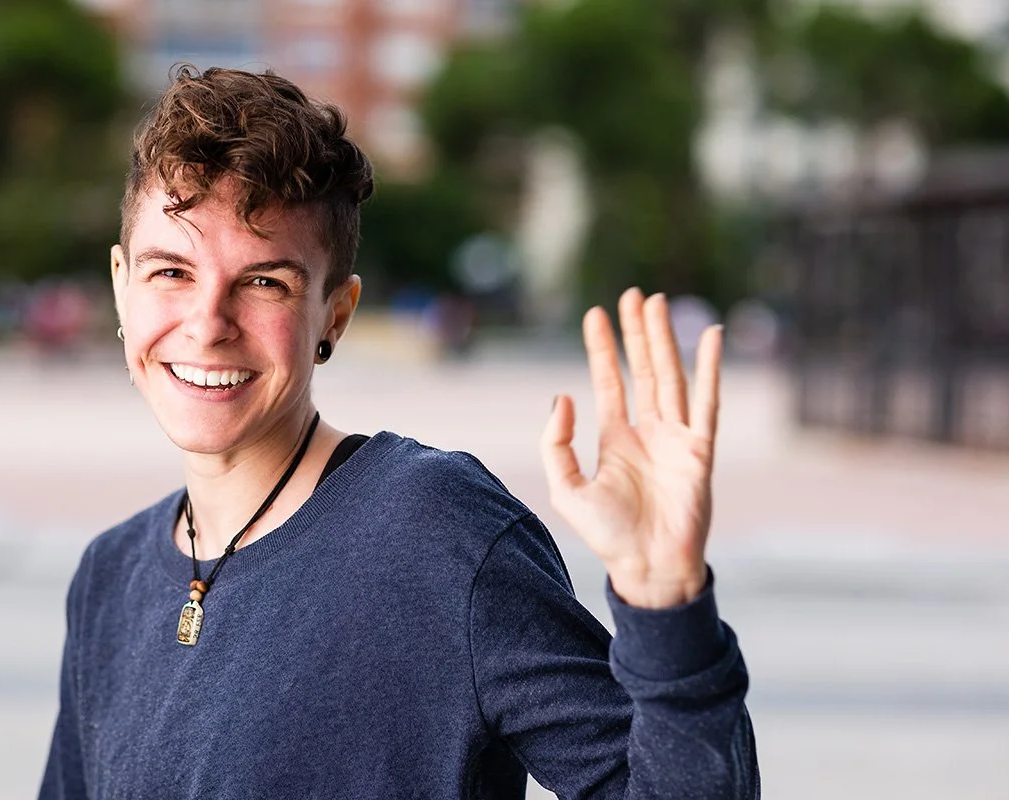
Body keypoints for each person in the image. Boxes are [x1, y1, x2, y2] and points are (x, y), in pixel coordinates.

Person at [39, 66, 758, 799]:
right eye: (171, 273)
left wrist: (667, 604)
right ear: (122, 282)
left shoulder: (433, 531)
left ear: (335, 314)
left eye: (264, 283)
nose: (207, 324)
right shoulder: (108, 575)